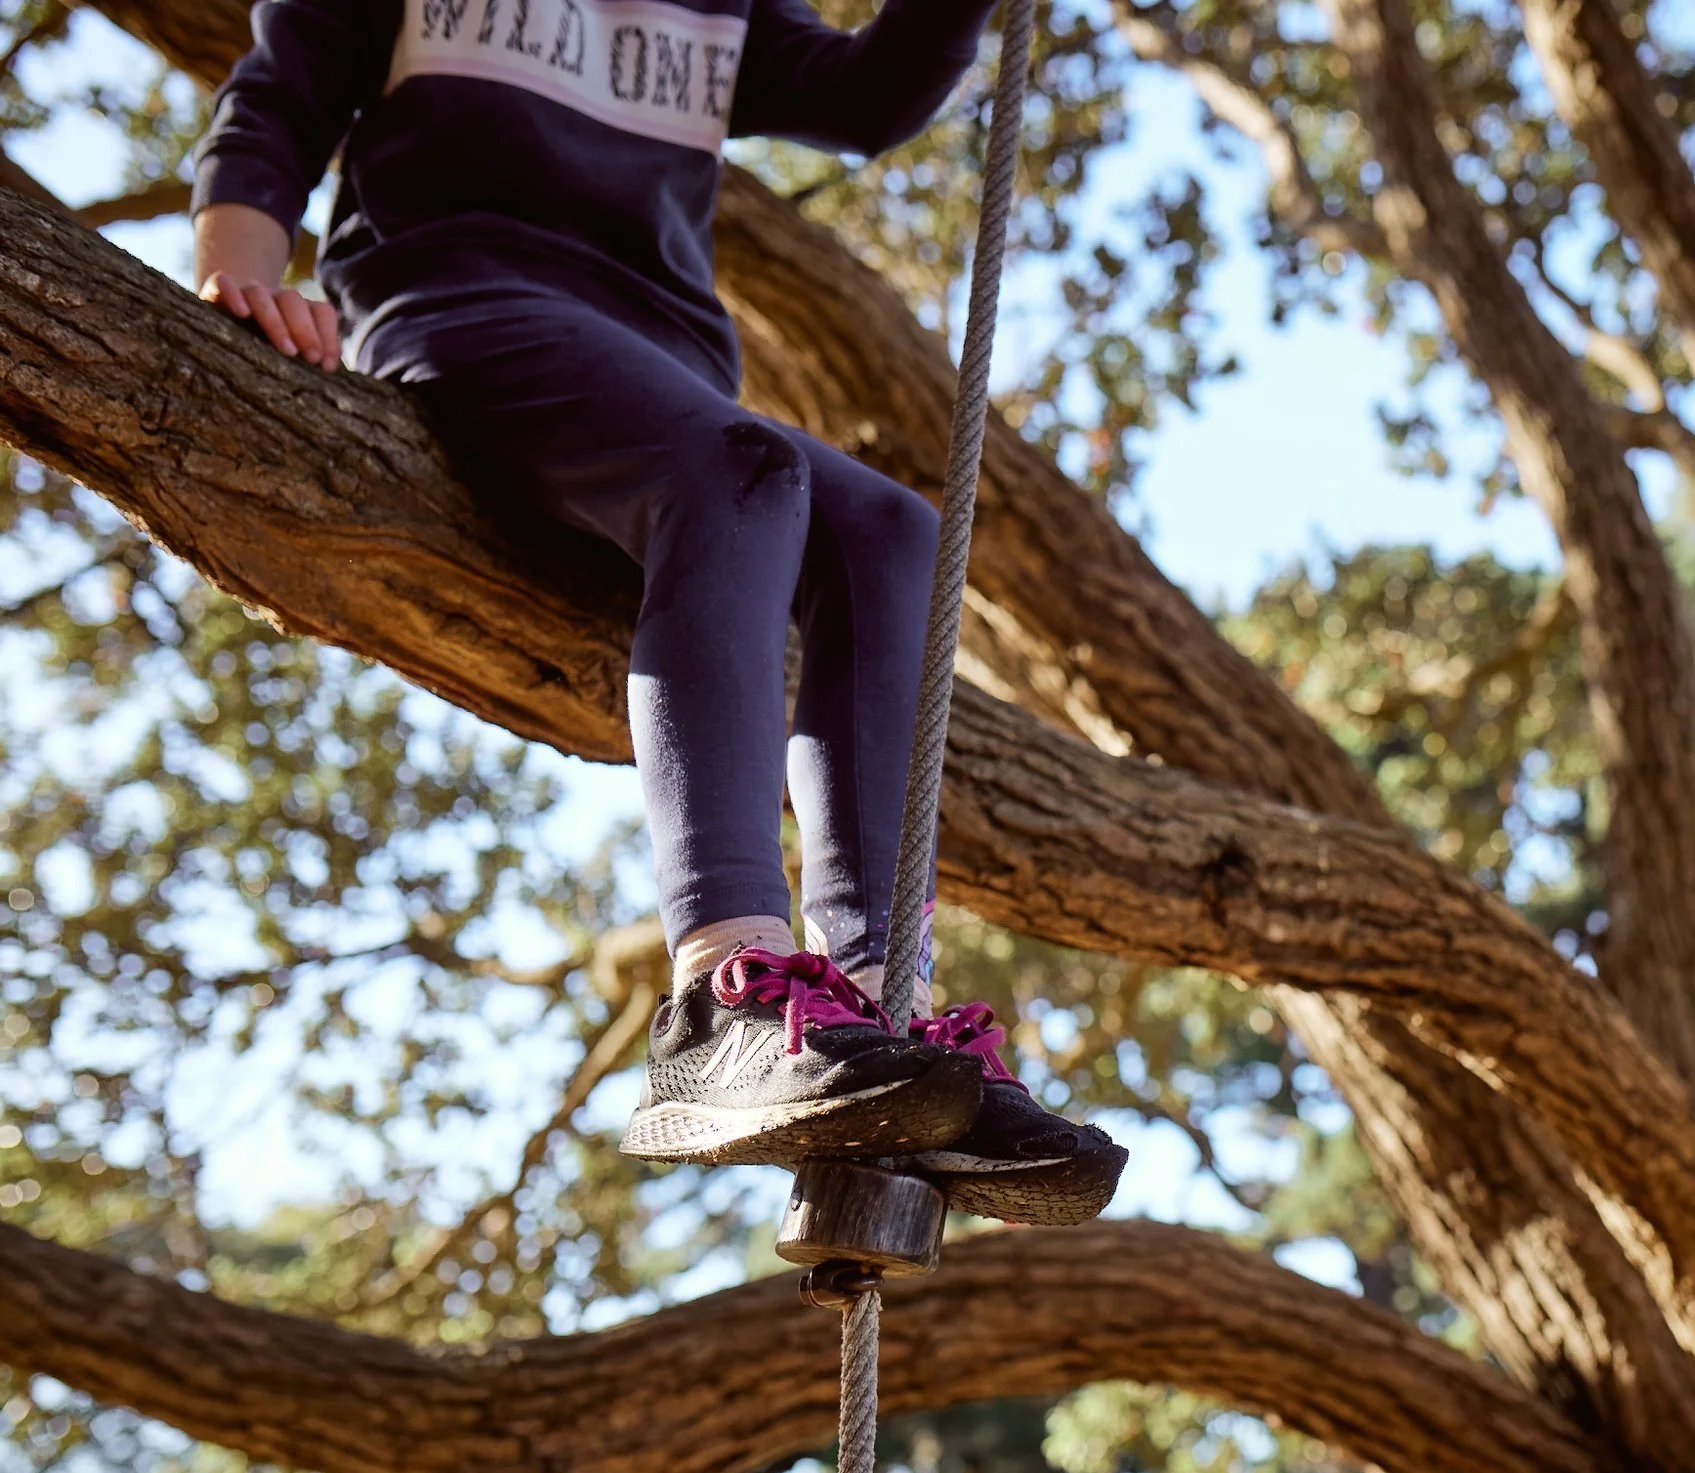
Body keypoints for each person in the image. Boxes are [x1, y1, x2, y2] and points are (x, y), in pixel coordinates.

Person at [192, 0, 1126, 1222]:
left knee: (889, 534)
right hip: (461, 299)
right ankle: (721, 995)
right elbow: (279, 97)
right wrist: (244, 279)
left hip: (660, 367)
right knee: (741, 471)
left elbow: (867, 97)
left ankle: (874, 1010)